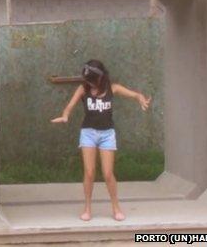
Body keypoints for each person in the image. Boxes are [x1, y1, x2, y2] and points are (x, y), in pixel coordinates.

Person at [51, 59, 151, 221]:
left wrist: (140, 97)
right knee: (89, 173)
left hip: (107, 135)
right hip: (88, 133)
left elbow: (134, 94)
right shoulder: (83, 89)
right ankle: (87, 208)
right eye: (87, 80)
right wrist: (65, 116)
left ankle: (115, 207)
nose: (89, 83)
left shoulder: (113, 88)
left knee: (108, 173)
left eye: (92, 80)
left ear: (101, 77)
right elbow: (70, 106)